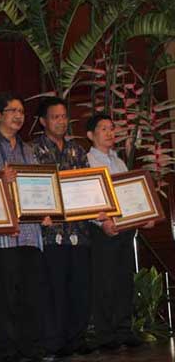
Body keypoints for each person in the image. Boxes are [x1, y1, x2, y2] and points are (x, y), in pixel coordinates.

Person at [0, 93, 48, 362]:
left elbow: (39, 188)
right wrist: (0, 178)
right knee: (5, 298)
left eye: (21, 111)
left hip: (30, 234)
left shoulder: (29, 150)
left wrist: (46, 211)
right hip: (3, 237)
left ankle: (31, 347)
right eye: (12, 111)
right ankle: (6, 351)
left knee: (32, 295)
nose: (19, 116)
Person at [32, 97, 94, 357]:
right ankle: (54, 342)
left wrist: (96, 206)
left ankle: (76, 338)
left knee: (79, 287)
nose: (60, 121)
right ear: (43, 121)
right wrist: (40, 213)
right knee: (54, 288)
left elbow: (88, 186)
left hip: (79, 230)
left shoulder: (77, 150)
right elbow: (31, 189)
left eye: (63, 116)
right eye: (54, 117)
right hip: (51, 233)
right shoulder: (34, 150)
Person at [86, 113, 152, 350]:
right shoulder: (87, 161)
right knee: (104, 282)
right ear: (91, 135)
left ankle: (124, 330)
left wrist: (144, 216)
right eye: (103, 128)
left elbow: (131, 196)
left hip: (124, 230)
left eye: (111, 128)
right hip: (102, 231)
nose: (109, 132)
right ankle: (105, 334)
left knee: (124, 281)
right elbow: (86, 199)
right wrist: (101, 223)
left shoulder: (119, 162)